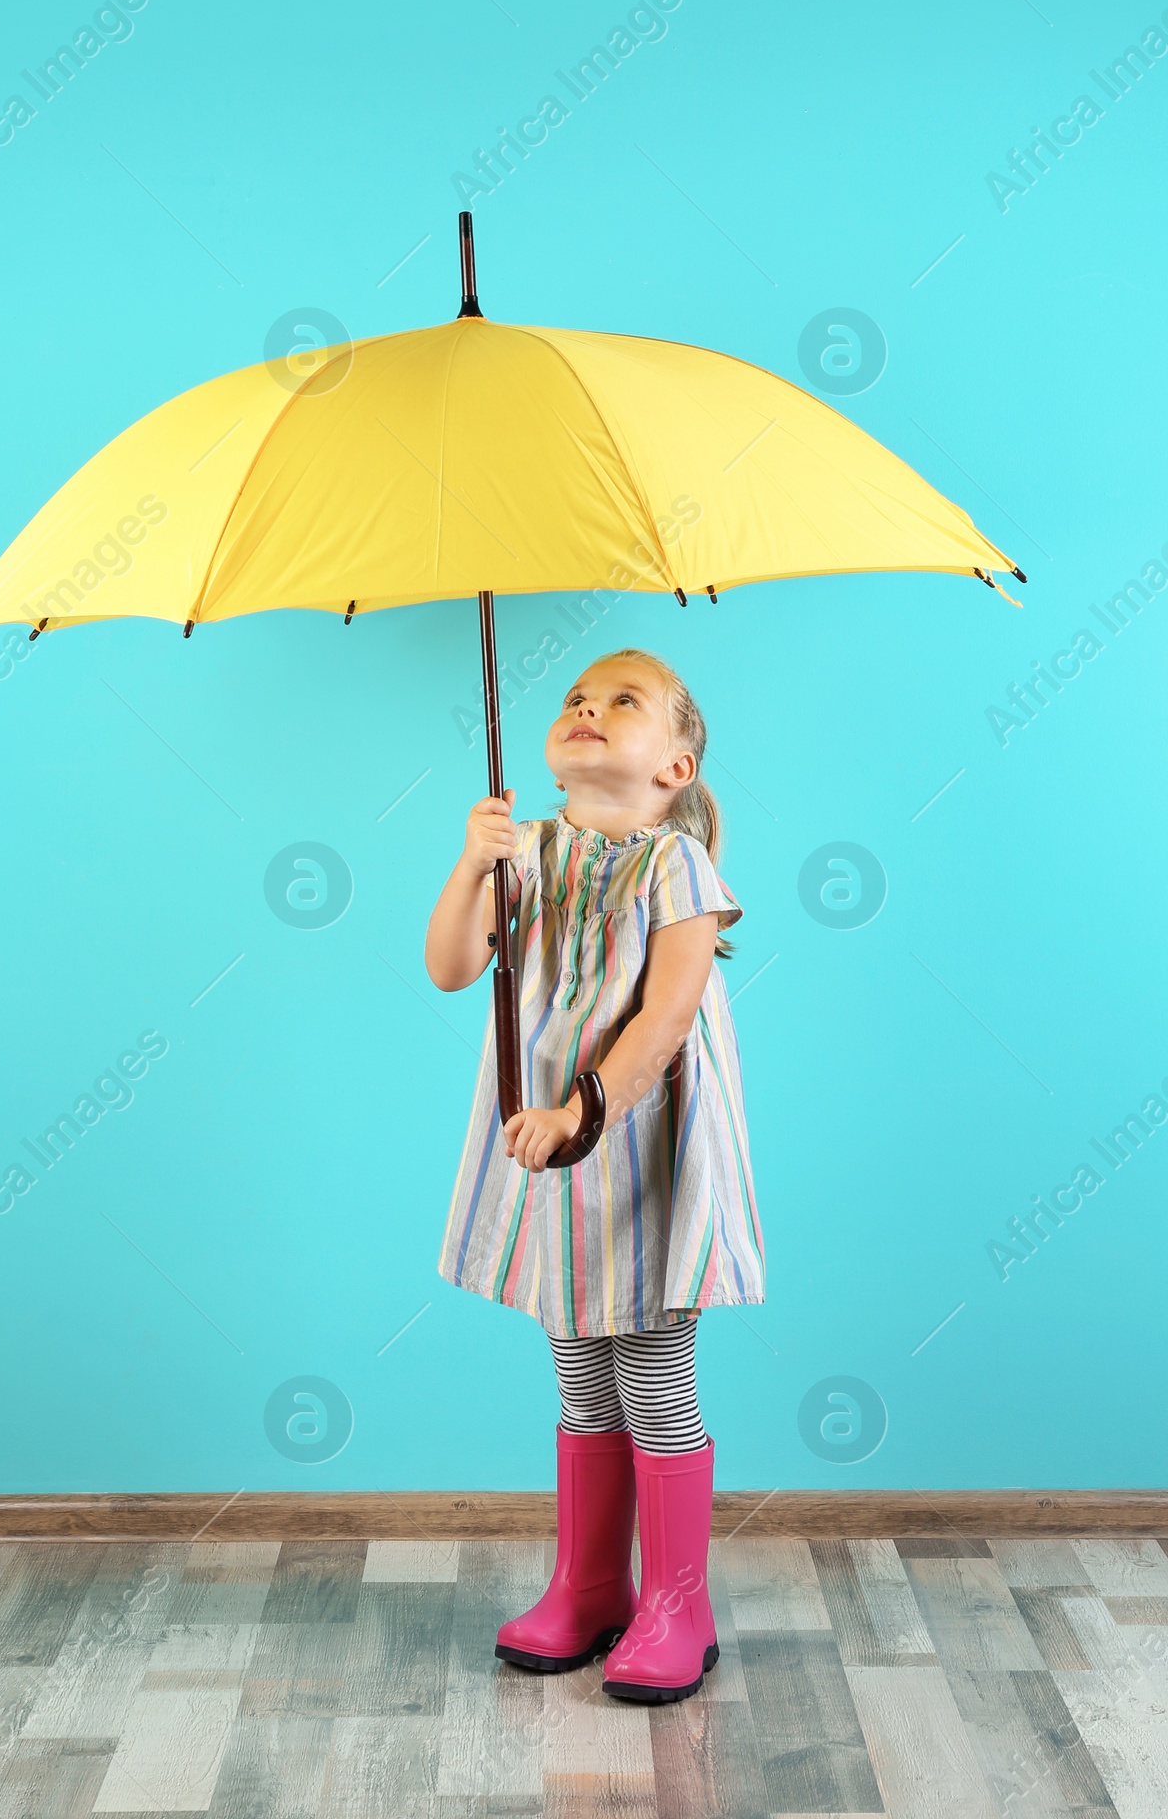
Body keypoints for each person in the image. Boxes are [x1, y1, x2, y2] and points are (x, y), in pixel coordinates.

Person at [428, 649, 765, 1704]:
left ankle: (678, 1604)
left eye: (623, 702)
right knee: (581, 1371)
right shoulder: (522, 850)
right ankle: (587, 1587)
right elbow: (449, 966)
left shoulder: (679, 871)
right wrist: (467, 863)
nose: (587, 709)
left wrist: (584, 1106)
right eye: (576, 698)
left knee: (652, 1372)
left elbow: (665, 1017)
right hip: (551, 1147)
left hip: (640, 1137)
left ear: (674, 764)